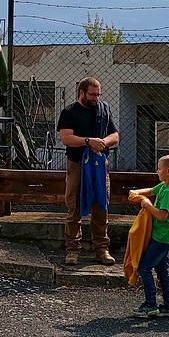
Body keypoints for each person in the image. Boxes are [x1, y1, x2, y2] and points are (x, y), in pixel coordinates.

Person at [56, 76, 119, 266]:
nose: (95, 98)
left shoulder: (104, 109)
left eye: (98, 95)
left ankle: (102, 249)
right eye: (92, 95)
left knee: (101, 206)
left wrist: (102, 142)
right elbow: (66, 138)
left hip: (99, 165)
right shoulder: (69, 112)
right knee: (74, 207)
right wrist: (88, 141)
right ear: (82, 92)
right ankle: (72, 250)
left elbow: (115, 135)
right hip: (77, 164)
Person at [127, 154, 169, 318]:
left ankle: (151, 304)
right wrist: (136, 193)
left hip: (161, 238)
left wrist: (147, 204)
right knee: (162, 271)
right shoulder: (165, 186)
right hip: (165, 237)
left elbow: (161, 216)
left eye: (159, 169)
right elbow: (151, 190)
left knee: (144, 267)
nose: (157, 171)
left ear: (168, 171)